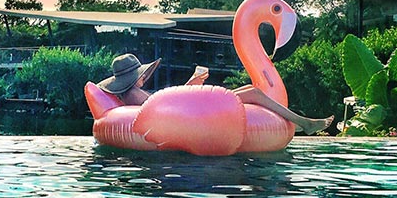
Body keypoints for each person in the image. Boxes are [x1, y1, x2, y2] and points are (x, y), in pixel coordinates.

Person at [98, 53, 333, 134]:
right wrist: (191, 87)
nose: (145, 77)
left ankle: (301, 123)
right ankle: (304, 123)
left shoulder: (132, 94)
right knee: (254, 93)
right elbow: (164, 110)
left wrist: (191, 84)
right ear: (135, 76)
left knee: (250, 92)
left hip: (189, 110)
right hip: (190, 115)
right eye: (142, 74)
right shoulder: (136, 96)